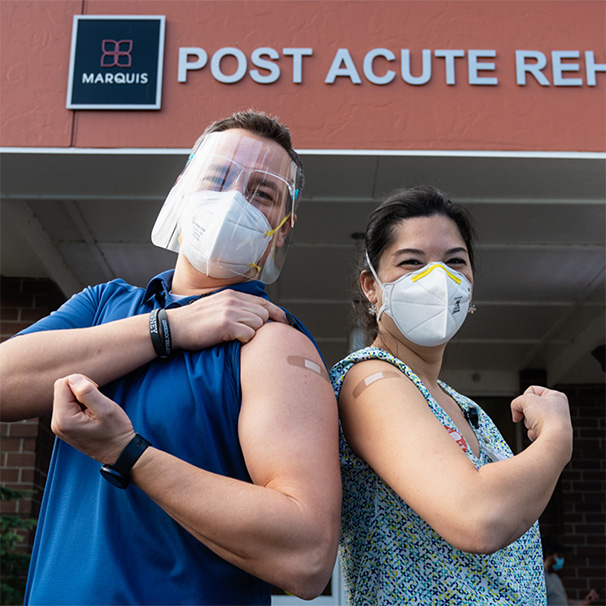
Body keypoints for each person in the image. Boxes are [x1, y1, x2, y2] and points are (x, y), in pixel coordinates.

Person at [0, 110, 341, 605]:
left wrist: (128, 453)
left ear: (282, 229)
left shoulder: (270, 341)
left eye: (262, 193)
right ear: (183, 189)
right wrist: (169, 328)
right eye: (217, 178)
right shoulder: (103, 305)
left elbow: (307, 555)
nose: (233, 201)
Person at [329, 186, 574, 605]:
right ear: (371, 286)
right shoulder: (370, 380)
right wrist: (557, 438)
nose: (437, 278)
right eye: (412, 262)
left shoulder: (466, 407)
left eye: (455, 262)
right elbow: (479, 517)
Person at [542, 536, 600, 605]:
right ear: (548, 554)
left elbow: (561, 601)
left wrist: (583, 603)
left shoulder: (554, 576)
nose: (561, 559)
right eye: (558, 555)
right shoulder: (539, 579)